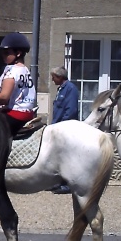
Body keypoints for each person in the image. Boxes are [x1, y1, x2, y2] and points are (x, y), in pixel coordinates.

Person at [0, 32, 37, 136]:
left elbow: (4, 96)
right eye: (3, 52)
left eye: (7, 52)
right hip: (28, 113)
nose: (3, 55)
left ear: (18, 53)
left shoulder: (12, 71)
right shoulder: (25, 70)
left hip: (15, 114)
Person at [48, 66, 80, 194]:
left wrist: (62, 126)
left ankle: (67, 184)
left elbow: (71, 110)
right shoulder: (61, 89)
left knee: (67, 157)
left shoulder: (70, 89)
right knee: (58, 156)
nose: (52, 79)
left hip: (65, 129)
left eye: (54, 77)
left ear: (60, 77)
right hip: (57, 127)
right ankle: (57, 182)